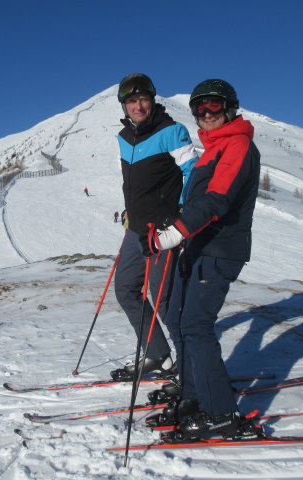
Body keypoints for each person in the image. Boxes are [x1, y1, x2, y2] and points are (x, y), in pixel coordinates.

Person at [141, 79, 261, 440]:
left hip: (219, 250)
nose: (206, 114)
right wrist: (174, 225)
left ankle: (221, 414)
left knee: (196, 326)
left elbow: (217, 201)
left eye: (214, 106)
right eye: (199, 108)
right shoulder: (211, 148)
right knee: (179, 321)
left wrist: (173, 235)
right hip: (197, 247)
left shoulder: (238, 144)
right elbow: (197, 202)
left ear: (231, 107)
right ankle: (193, 397)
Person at [111, 73, 199, 381]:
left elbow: (195, 175)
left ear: (153, 100)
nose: (138, 106)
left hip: (163, 233)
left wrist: (179, 221)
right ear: (124, 106)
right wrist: (130, 211)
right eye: (131, 101)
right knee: (125, 290)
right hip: (136, 229)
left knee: (164, 301)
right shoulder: (125, 138)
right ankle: (159, 355)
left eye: (143, 99)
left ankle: (192, 370)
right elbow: (134, 183)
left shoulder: (172, 132)